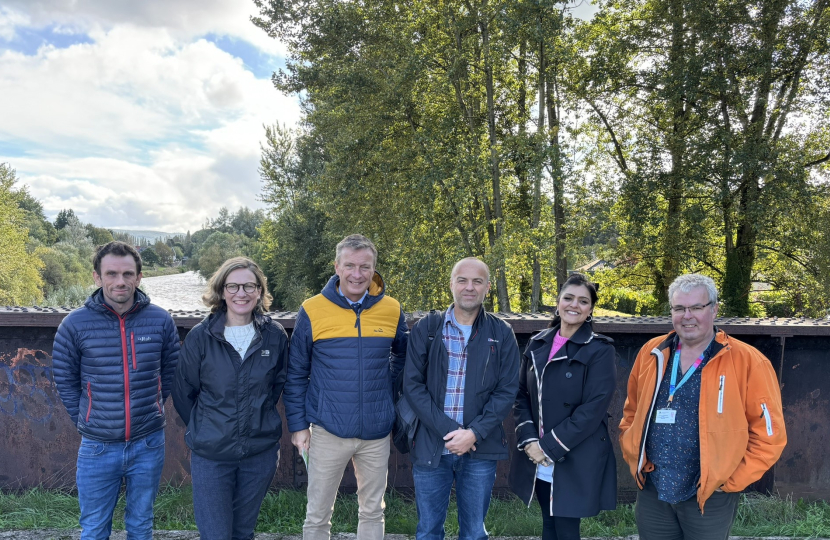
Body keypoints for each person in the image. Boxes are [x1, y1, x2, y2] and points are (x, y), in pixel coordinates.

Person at [619, 273, 787, 540]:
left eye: (697, 307)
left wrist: (729, 482)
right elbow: (631, 411)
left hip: (710, 496)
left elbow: (770, 434)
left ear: (714, 309)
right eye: (679, 308)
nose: (688, 316)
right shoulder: (652, 352)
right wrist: (634, 456)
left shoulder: (748, 361)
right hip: (654, 488)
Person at [52, 241, 180, 540]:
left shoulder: (161, 321)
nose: (119, 281)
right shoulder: (74, 325)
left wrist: (149, 412)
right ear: (97, 277)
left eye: (127, 274)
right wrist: (91, 420)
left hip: (148, 443)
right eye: (111, 274)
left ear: (139, 277)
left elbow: (169, 375)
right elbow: (66, 382)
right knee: (95, 529)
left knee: (141, 525)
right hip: (97, 447)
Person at [284, 234, 408, 540]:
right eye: (349, 265)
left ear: (373, 269)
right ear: (337, 267)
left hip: (376, 432)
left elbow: (403, 356)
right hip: (328, 430)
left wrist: (386, 389)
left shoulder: (392, 309)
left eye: (364, 266)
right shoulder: (313, 309)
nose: (357, 273)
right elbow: (296, 372)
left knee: (373, 510)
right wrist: (299, 427)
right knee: (317, 514)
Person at [402, 257, 520, 540]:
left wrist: (473, 433)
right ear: (452, 284)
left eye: (477, 281)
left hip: (480, 449)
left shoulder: (501, 333)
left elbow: (506, 390)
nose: (470, 287)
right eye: (462, 280)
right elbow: (412, 385)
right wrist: (449, 431)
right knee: (428, 531)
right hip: (432, 444)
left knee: (474, 533)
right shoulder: (427, 328)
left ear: (487, 287)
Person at [172, 257, 289, 540]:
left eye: (249, 286)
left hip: (258, 455)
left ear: (260, 291)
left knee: (243, 533)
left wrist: (254, 420)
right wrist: (208, 427)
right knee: (215, 535)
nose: (241, 293)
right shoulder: (201, 337)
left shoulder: (274, 336)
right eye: (233, 286)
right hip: (212, 456)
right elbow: (183, 392)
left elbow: (275, 387)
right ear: (222, 291)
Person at [508, 274, 617, 540]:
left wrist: (548, 447)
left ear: (590, 309)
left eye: (583, 301)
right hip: (537, 453)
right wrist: (531, 441)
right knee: (549, 524)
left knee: (567, 529)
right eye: (568, 298)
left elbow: (593, 409)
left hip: (573, 454)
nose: (574, 305)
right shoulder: (537, 343)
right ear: (558, 303)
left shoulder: (600, 350)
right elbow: (520, 395)